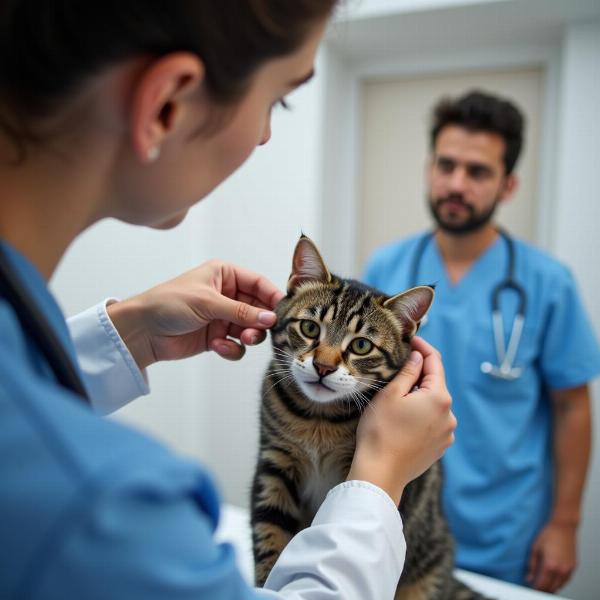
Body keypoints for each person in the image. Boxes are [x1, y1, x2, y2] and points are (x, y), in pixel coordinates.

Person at [0, 3, 457, 599]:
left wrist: (129, 331)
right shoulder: (107, 508)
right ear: (169, 103)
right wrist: (377, 480)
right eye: (279, 99)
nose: (266, 134)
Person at [362, 90, 600, 593]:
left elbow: (571, 407)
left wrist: (565, 524)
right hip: (397, 523)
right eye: (446, 165)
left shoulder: (546, 282)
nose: (456, 184)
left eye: (478, 172)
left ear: (508, 184)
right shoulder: (387, 269)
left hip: (502, 533)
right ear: (429, 167)